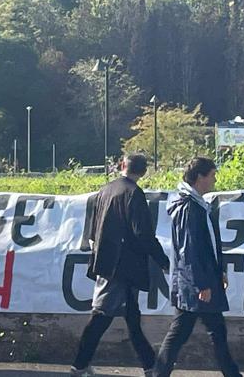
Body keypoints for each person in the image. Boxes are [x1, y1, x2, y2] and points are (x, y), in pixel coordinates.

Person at [71, 153, 170, 377]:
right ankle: (78, 366)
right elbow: (143, 233)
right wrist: (161, 259)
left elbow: (94, 227)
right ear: (144, 172)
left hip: (107, 263)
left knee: (131, 319)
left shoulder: (106, 190)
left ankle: (150, 366)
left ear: (121, 166)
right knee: (101, 317)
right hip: (124, 268)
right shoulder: (134, 194)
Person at [154, 157, 242, 377]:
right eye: (212, 175)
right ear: (200, 177)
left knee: (187, 332)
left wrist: (219, 270)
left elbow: (207, 244)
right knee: (208, 332)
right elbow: (190, 249)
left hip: (196, 281)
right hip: (197, 283)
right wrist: (202, 283)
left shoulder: (195, 205)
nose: (214, 180)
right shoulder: (189, 208)